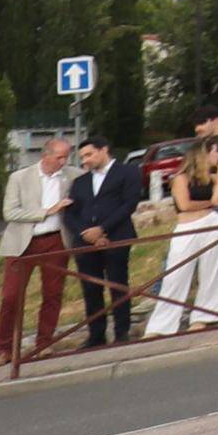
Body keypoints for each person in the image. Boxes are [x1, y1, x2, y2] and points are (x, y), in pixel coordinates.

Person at [142, 128, 218, 335]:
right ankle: (161, 325)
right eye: (214, 152)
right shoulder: (181, 177)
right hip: (188, 225)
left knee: (212, 271)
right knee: (176, 275)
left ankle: (206, 316)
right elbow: (184, 204)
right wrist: (207, 203)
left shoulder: (212, 177)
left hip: (212, 223)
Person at [0, 138, 74, 364]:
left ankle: (44, 343)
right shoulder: (20, 178)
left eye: (66, 156)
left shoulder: (72, 175)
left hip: (56, 240)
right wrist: (47, 211)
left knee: (52, 292)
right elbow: (10, 212)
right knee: (11, 296)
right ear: (45, 155)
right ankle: (5, 348)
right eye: (59, 157)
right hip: (22, 242)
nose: (63, 161)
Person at [63, 139, 140, 351]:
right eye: (83, 157)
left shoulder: (127, 172)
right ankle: (96, 334)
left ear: (104, 150)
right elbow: (70, 212)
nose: (85, 161)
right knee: (90, 288)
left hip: (117, 235)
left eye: (89, 155)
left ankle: (121, 331)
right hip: (86, 241)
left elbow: (129, 203)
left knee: (118, 283)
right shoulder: (80, 182)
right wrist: (85, 233)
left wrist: (104, 229)